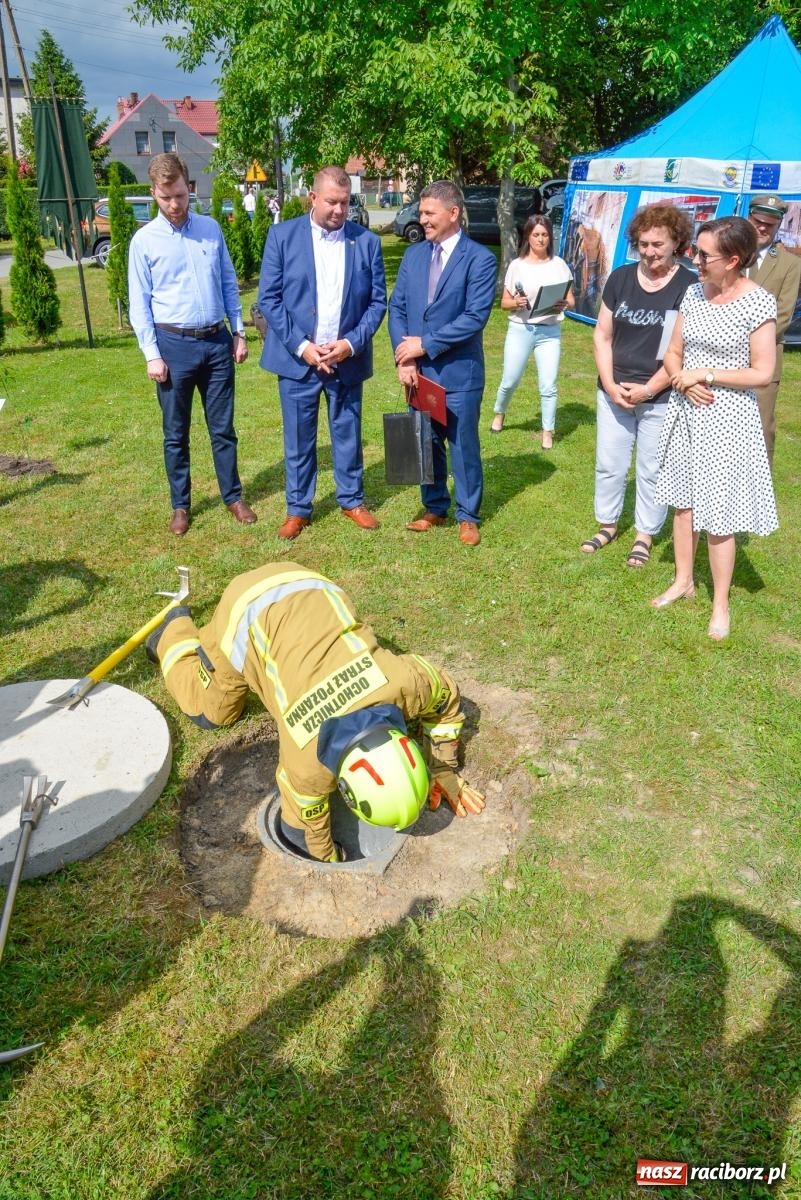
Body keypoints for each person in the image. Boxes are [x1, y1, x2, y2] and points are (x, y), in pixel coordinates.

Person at [146, 561, 486, 862]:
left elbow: (445, 698)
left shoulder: (407, 683)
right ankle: (172, 630)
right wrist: (333, 865)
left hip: (306, 582)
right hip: (244, 611)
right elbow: (303, 832)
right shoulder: (305, 759)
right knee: (212, 711)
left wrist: (442, 768)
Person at [652, 216, 778, 640]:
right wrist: (682, 379)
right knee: (683, 503)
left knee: (719, 514)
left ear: (734, 259)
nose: (696, 260)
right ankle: (683, 580)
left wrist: (704, 374)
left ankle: (720, 604)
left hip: (728, 421)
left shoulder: (758, 302)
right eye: (696, 252)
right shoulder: (691, 293)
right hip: (687, 412)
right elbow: (671, 352)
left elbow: (763, 371)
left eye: (704, 255)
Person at [128, 152, 256, 537]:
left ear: (188, 187)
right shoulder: (144, 242)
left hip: (216, 343)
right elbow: (139, 304)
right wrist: (152, 354)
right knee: (175, 433)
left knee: (223, 429)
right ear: (154, 193)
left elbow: (228, 282)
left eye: (181, 196)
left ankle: (233, 497)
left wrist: (238, 331)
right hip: (173, 347)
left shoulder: (210, 229)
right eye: (166, 198)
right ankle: (181, 506)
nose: (175, 205)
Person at [258, 165, 387, 539]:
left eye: (345, 203)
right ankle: (298, 508)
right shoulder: (282, 237)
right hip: (300, 361)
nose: (339, 211)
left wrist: (349, 344)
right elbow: (269, 298)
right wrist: (302, 346)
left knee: (347, 432)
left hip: (345, 359)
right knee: (299, 438)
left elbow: (378, 304)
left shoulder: (366, 242)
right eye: (332, 202)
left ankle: (352, 500)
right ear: (312, 197)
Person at [581, 204, 695, 568]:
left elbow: (682, 349)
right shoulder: (621, 278)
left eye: (658, 244)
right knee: (610, 463)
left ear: (676, 241)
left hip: (660, 395)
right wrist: (612, 385)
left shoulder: (689, 286)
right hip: (614, 390)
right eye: (643, 244)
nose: (649, 252)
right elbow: (602, 335)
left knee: (652, 467)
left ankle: (645, 534)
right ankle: (608, 524)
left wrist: (649, 390)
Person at [388, 179, 497, 546]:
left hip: (459, 373)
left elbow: (474, 317)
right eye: (420, 212)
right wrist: (405, 359)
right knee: (426, 440)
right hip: (418, 373)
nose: (423, 220)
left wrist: (424, 345)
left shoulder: (480, 259)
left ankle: (468, 514)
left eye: (429, 213)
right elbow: (398, 307)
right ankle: (434, 506)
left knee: (462, 444)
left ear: (453, 213)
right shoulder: (413, 255)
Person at [489, 215, 574, 449]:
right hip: (521, 329)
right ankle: (499, 413)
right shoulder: (517, 265)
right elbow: (504, 303)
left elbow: (571, 299)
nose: (540, 239)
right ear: (528, 236)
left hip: (549, 332)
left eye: (544, 234)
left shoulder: (559, 265)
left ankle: (548, 430)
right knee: (510, 380)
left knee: (548, 384)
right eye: (536, 234)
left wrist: (563, 304)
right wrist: (516, 303)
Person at [746, 194, 801, 465]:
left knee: (761, 429)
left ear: (779, 225)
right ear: (749, 218)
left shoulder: (791, 264)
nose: (763, 228)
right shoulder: (731, 253)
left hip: (764, 360)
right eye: (758, 221)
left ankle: (758, 491)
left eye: (770, 224)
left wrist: (744, 340)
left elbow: (783, 313)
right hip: (720, 359)